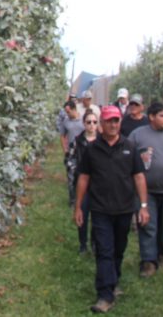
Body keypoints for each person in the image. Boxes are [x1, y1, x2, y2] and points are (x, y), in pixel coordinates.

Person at [75, 105, 150, 314]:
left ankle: (113, 279)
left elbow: (139, 176)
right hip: (100, 209)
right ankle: (105, 294)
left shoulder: (130, 147)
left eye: (116, 120)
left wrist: (143, 206)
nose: (113, 124)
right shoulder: (92, 149)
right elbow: (83, 177)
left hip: (124, 208)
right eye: (109, 121)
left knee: (118, 249)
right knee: (104, 250)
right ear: (102, 124)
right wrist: (79, 206)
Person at [128, 102, 163, 277]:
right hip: (146, 190)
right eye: (162, 116)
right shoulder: (138, 135)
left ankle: (160, 253)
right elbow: (127, 157)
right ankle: (148, 261)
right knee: (147, 224)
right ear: (151, 117)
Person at [67, 108, 100, 253]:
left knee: (97, 215)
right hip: (82, 184)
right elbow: (70, 160)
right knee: (82, 212)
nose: (92, 125)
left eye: (94, 122)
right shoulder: (78, 141)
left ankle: (94, 241)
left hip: (98, 185)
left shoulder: (102, 141)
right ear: (84, 124)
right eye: (89, 122)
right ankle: (83, 244)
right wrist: (77, 173)